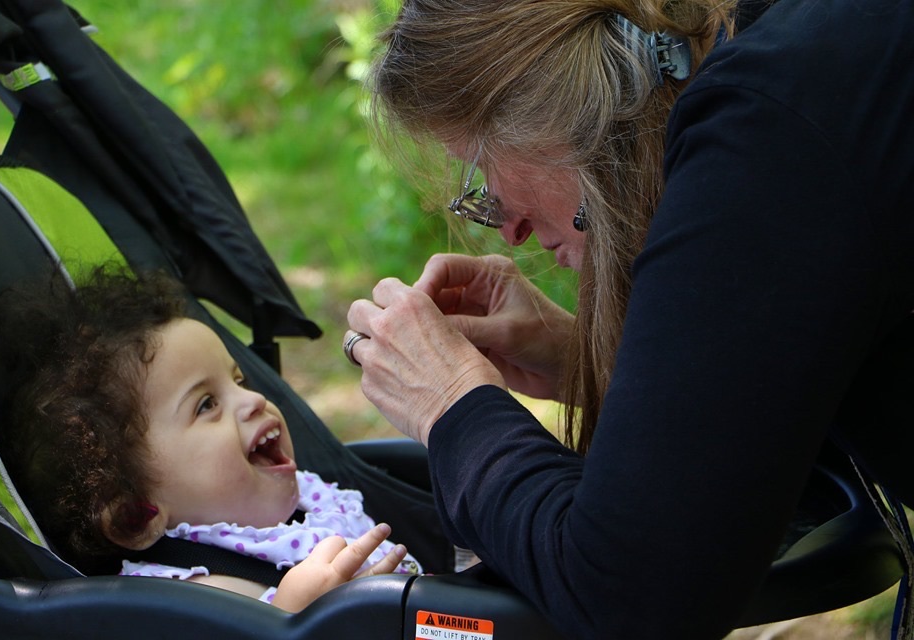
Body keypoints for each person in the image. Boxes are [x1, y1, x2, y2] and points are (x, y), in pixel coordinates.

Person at [344, 0, 914, 637]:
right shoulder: (792, 49)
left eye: (483, 174)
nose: (509, 228)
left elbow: (630, 593)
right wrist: (581, 355)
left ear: (550, 101)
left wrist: (452, 407)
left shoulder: (760, 136)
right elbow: (775, 382)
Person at [0, 266, 420, 614]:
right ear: (135, 516)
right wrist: (291, 619)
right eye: (205, 405)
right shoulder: (183, 600)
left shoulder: (310, 501)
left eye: (239, 379)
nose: (253, 399)